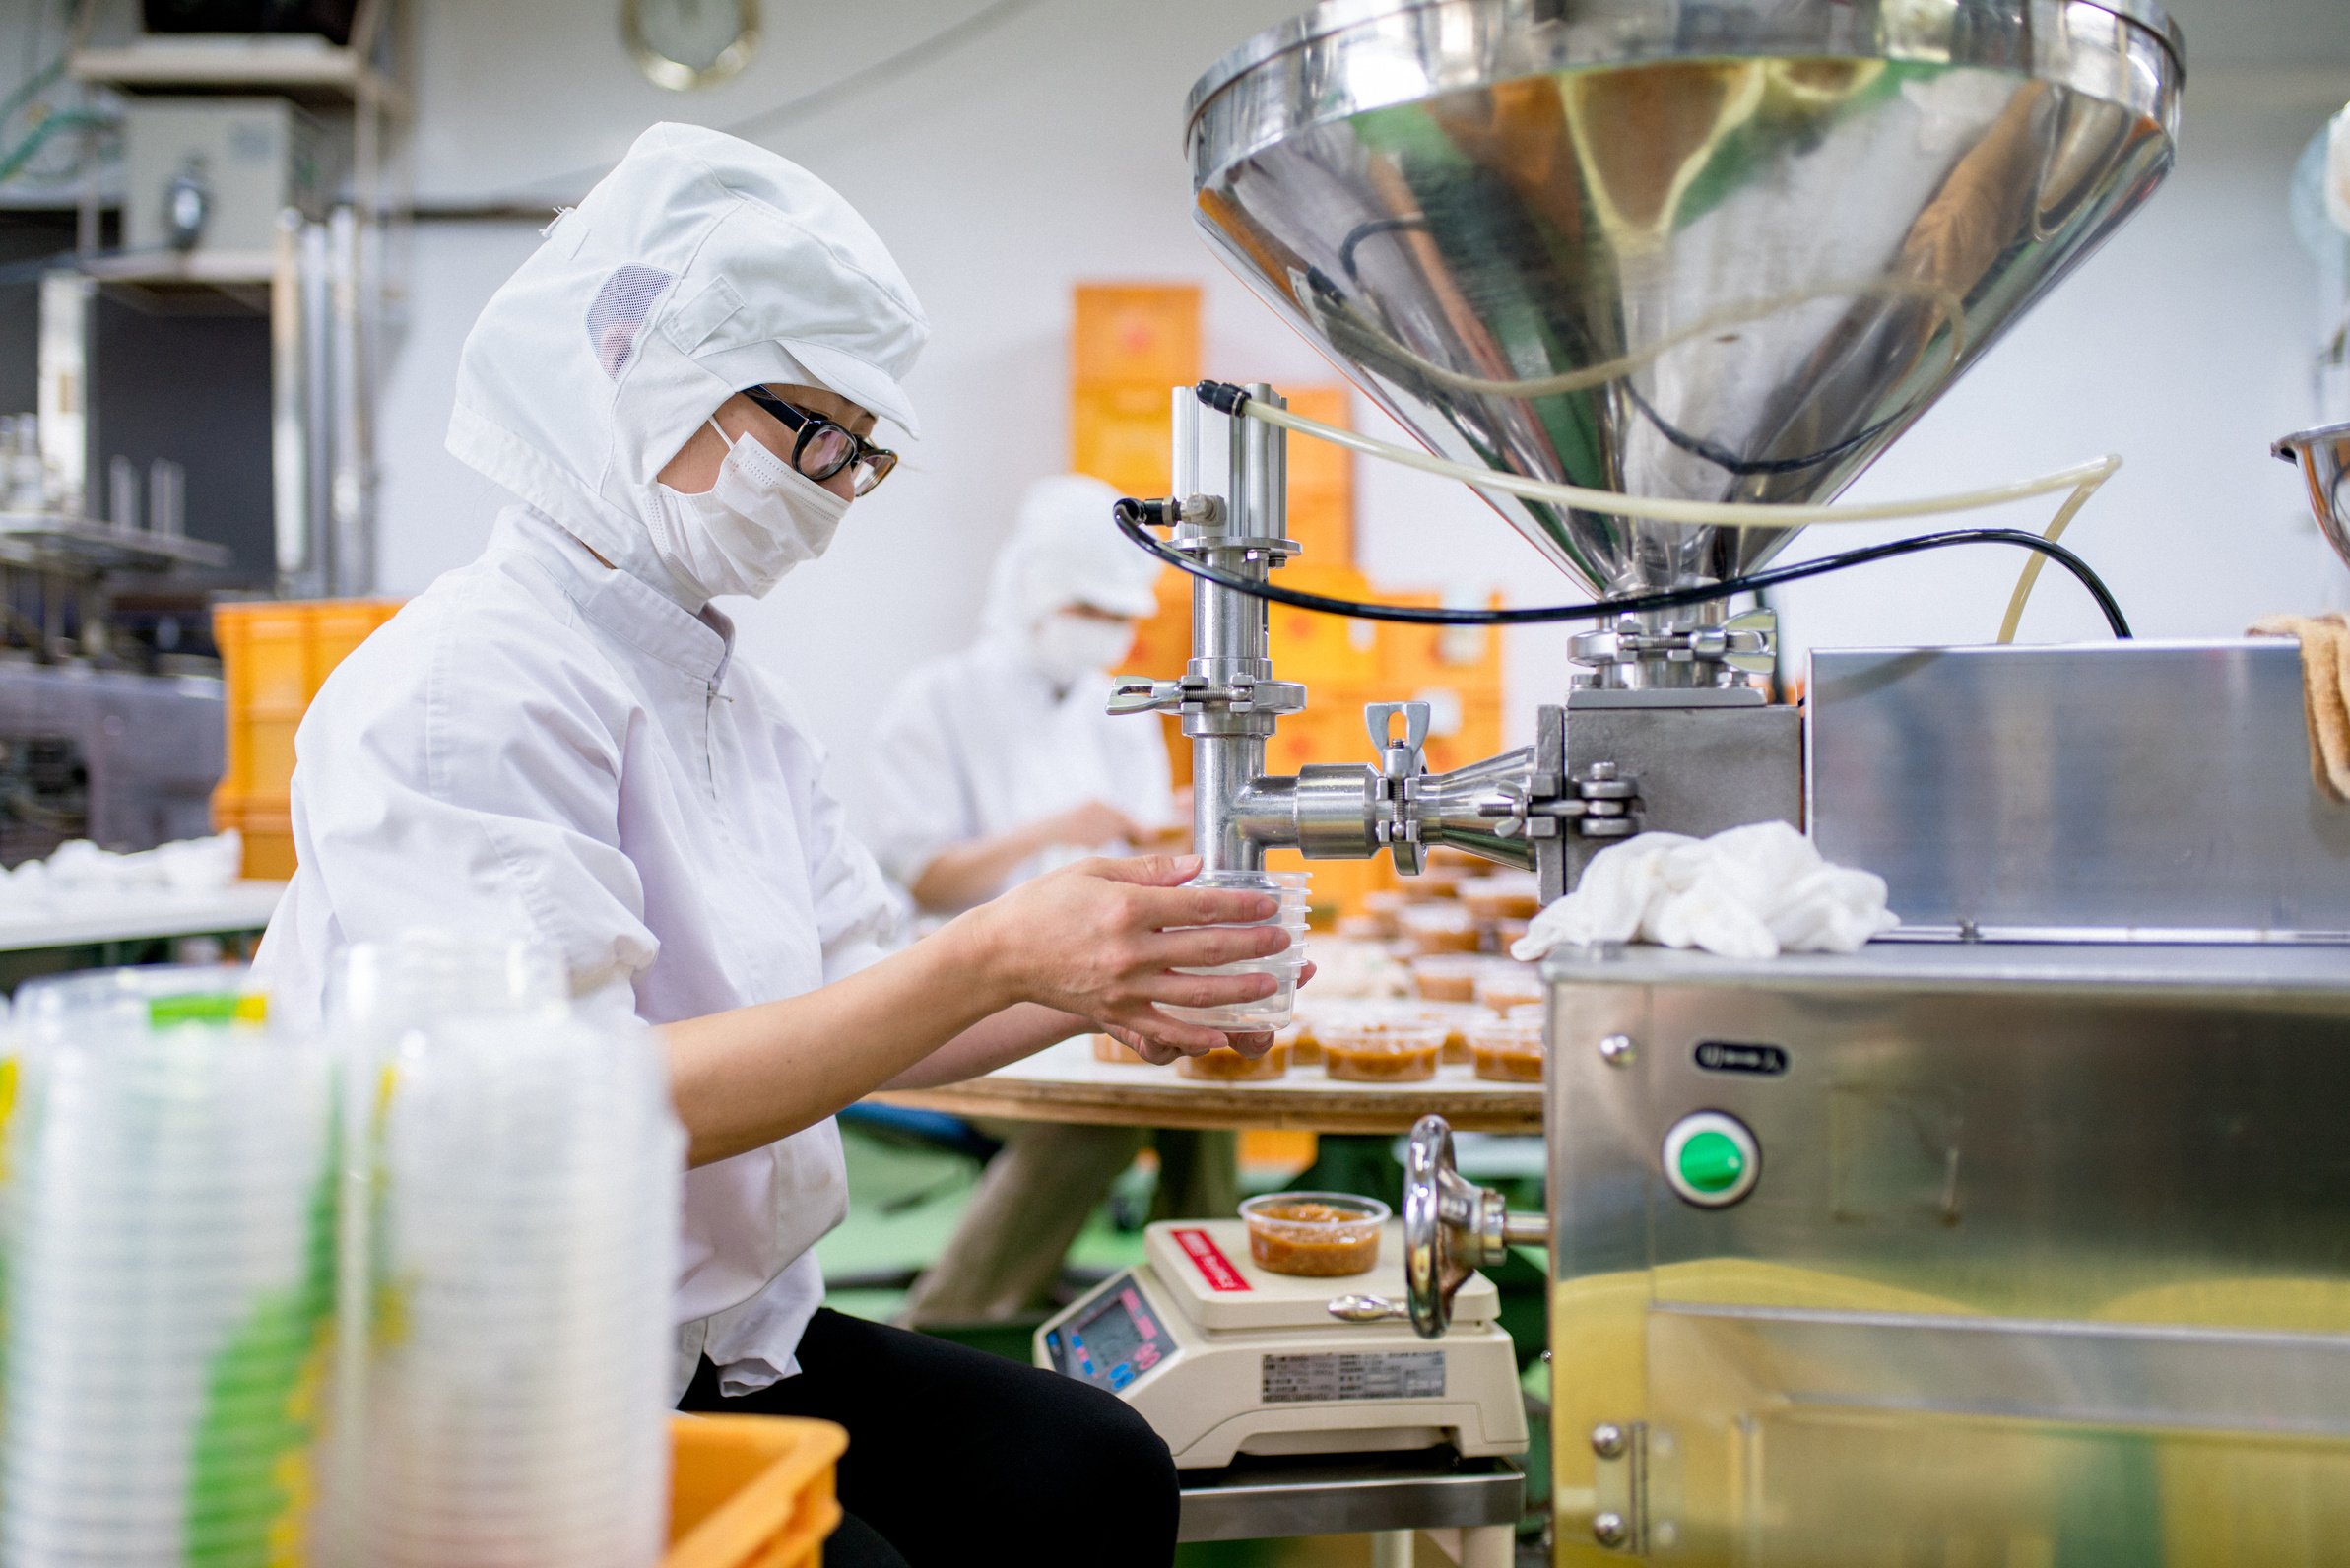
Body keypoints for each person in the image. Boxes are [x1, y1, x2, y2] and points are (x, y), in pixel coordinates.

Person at [249, 123, 1290, 1568]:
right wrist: (1000, 948)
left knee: (1089, 1469)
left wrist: (1089, 985)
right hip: (508, 1374)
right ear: (642, 371)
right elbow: (569, 1109)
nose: (827, 484)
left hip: (713, 1332)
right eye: (810, 432)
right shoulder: (461, 690)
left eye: (858, 456)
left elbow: (864, 993)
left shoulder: (726, 691)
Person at [864, 478, 1194, 1325]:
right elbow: (925, 880)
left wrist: (1185, 832)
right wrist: (1050, 830)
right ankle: (954, 1327)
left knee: (1202, 1098)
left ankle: (1194, 1314)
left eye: (1117, 612)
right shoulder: (937, 701)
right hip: (959, 995)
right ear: (1030, 592)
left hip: (1095, 984)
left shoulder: (1119, 708)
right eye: (1086, 605)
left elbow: (1139, 856)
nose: (1104, 628)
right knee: (1096, 1121)